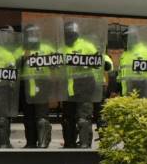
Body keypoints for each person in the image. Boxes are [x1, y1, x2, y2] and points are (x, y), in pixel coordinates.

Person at [60, 20, 104, 148]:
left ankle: (85, 144)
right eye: (67, 34)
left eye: (71, 34)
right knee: (67, 118)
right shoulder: (61, 48)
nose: (69, 37)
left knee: (83, 117)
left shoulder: (87, 46)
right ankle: (69, 143)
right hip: (67, 86)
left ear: (76, 34)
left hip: (85, 85)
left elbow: (98, 62)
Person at [19, 23, 60, 149]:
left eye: (35, 33)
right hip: (25, 86)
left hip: (42, 85)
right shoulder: (21, 50)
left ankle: (43, 142)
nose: (33, 36)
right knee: (28, 118)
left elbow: (57, 66)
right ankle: (30, 142)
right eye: (30, 34)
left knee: (42, 118)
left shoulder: (47, 48)